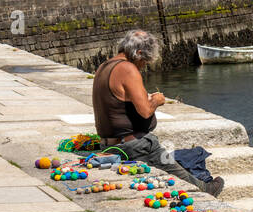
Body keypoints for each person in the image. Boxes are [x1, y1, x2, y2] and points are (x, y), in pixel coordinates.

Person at [92, 30, 224, 196]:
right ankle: (205, 189)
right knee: (169, 163)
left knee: (172, 157)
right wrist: (157, 100)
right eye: (145, 61)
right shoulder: (127, 69)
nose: (143, 65)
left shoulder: (104, 66)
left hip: (108, 143)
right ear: (138, 53)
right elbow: (146, 111)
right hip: (133, 146)